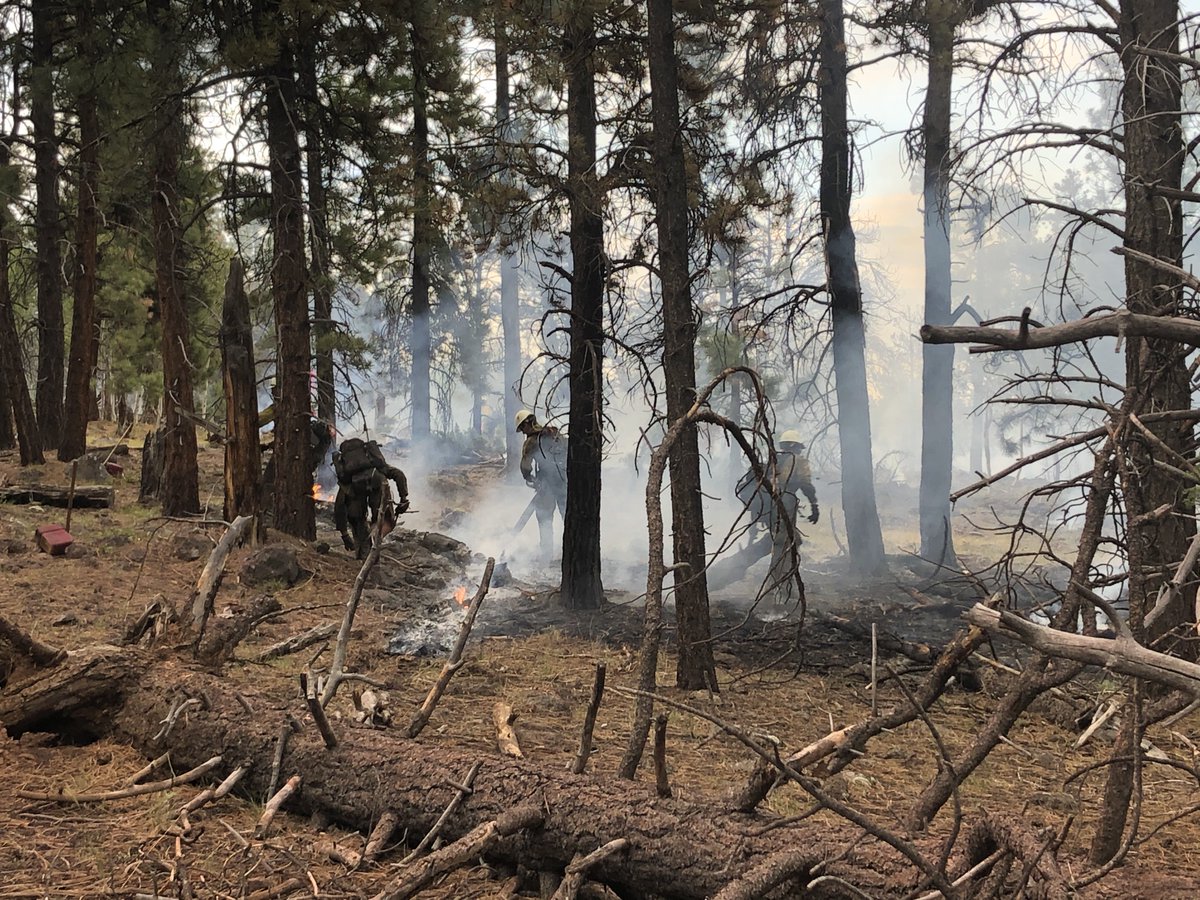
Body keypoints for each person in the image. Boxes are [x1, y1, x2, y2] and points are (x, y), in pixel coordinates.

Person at [734, 430, 818, 601]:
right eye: (799, 448)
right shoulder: (797, 460)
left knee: (794, 540)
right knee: (782, 545)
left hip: (769, 507)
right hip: (785, 504)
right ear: (794, 446)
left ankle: (788, 585)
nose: (801, 452)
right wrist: (814, 505)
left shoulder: (773, 462)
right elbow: (806, 484)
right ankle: (772, 588)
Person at [332, 437, 410, 559]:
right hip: (378, 482)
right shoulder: (376, 466)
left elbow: (339, 505)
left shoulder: (347, 478)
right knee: (385, 520)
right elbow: (399, 474)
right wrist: (403, 498)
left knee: (357, 521)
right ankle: (375, 537)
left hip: (355, 489)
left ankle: (362, 555)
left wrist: (344, 534)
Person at [515, 410, 567, 558]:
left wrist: (529, 478)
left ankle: (546, 554)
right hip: (564, 481)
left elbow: (525, 465)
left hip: (547, 485)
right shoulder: (555, 435)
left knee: (544, 517)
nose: (523, 432)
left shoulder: (532, 441)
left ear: (527, 423)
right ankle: (572, 551)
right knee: (567, 515)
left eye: (522, 428)